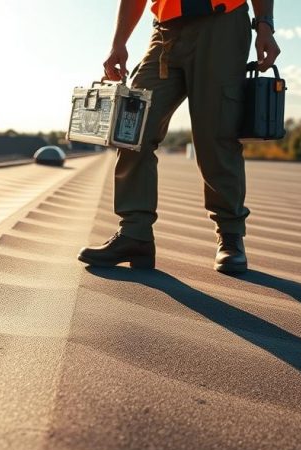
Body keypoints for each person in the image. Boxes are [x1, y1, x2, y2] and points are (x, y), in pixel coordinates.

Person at [78, 0, 281, 274]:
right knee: (132, 130)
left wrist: (265, 26)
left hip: (221, 24)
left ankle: (231, 237)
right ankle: (135, 235)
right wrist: (118, 43)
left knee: (216, 136)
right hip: (165, 32)